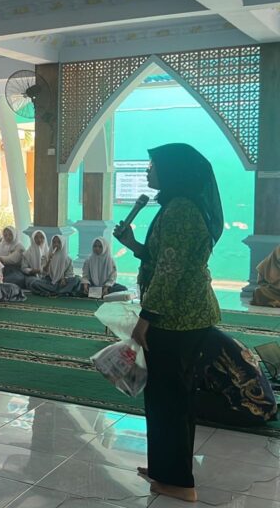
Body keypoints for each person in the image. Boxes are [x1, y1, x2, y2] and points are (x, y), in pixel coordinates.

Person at [113, 143, 223, 503]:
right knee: (169, 397)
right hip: (181, 316)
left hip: (178, 319)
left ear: (174, 170)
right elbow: (163, 258)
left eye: (153, 165)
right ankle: (165, 468)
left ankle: (178, 481)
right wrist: (133, 244)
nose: (148, 171)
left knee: (169, 400)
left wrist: (146, 318)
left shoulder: (181, 209)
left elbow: (170, 270)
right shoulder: (180, 205)